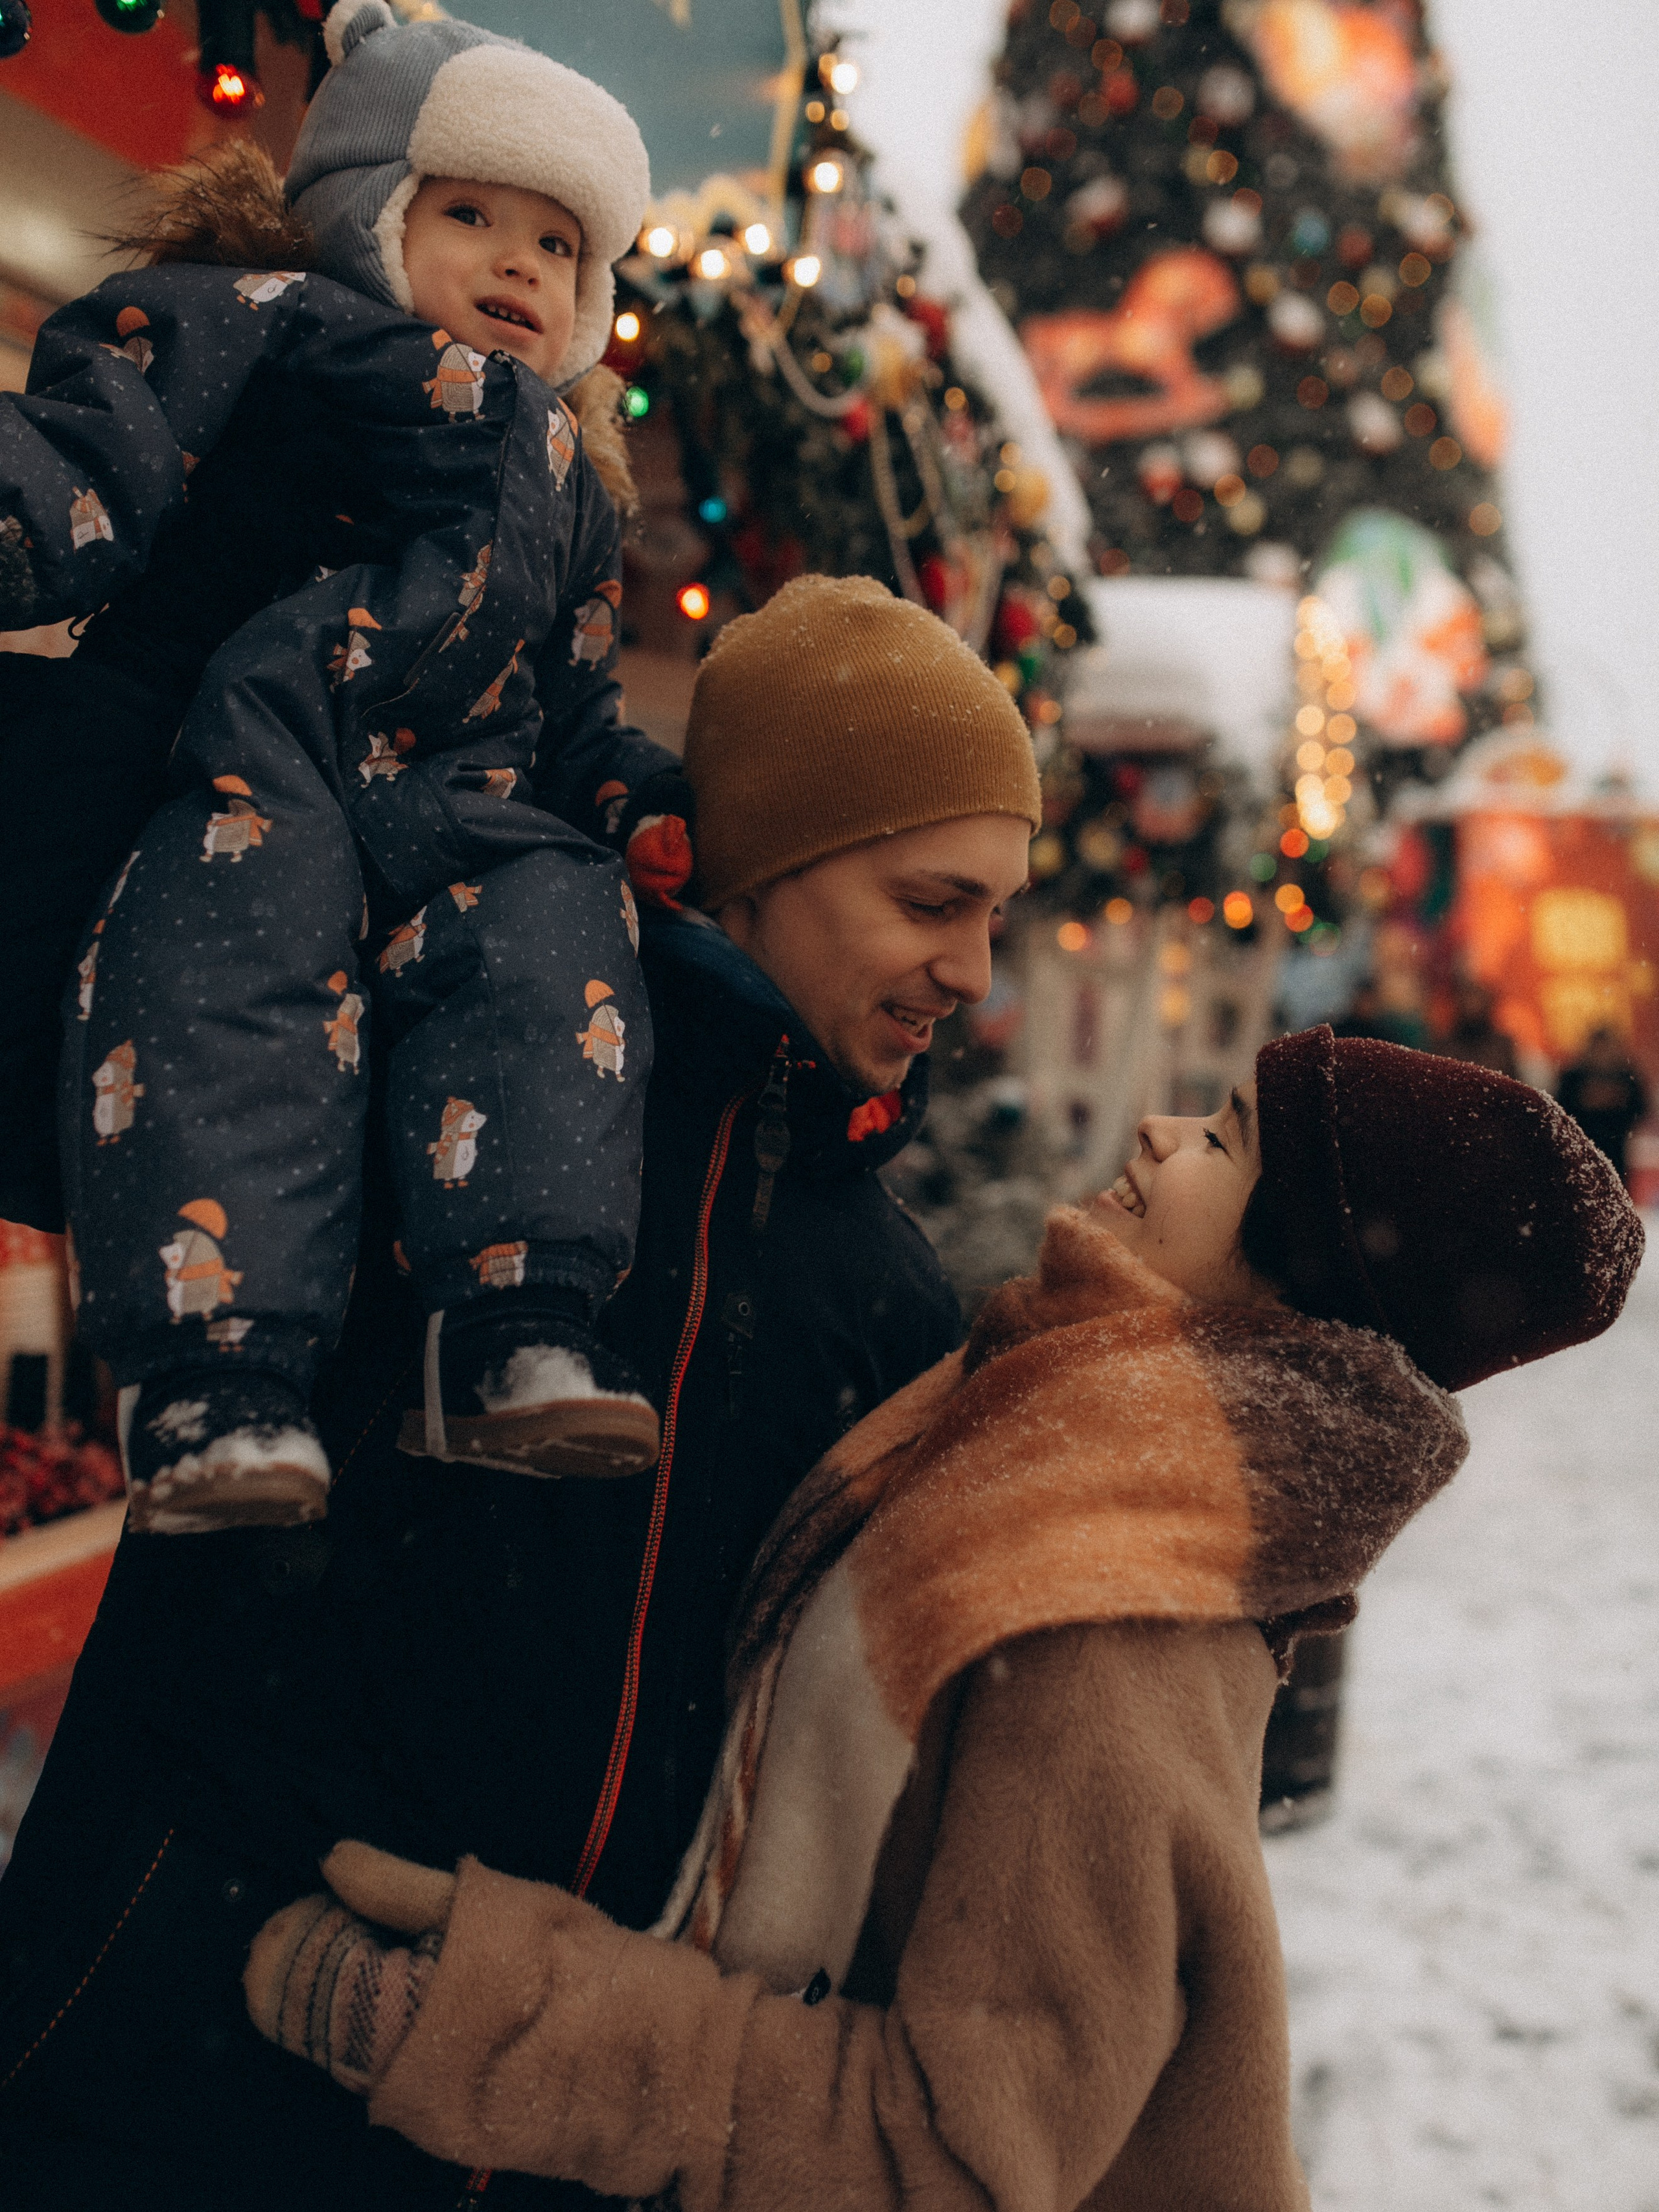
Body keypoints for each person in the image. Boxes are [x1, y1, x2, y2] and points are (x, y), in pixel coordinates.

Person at [0, 574, 1041, 2209]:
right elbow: (72, 1073)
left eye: (994, 913)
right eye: (932, 899)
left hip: (535, 2139)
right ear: (763, 863)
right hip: (174, 2052)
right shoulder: (428, 1059)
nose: (970, 969)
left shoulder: (890, 1296)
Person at [244, 1027, 1643, 2209]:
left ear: (1305, 1278)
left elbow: (954, 2154)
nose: (1157, 1132)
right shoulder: (1053, 1440)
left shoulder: (1112, 1612)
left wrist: (499, 2024)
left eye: (1220, 1139)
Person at [0, 0, 687, 1531]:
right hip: (259, 754)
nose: (518, 262)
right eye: (470, 215)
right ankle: (213, 1375)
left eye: (558, 247)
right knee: (220, 979)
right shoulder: (270, 321)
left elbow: (572, 702)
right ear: (370, 212)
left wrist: (638, 801)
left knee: (556, 942)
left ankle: (522, 1319)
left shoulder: (574, 482)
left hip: (465, 809)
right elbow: (95, 444)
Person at [1557, 1026, 1650, 1185]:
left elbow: (1641, 1108)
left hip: (1616, 1147)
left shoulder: (1627, 1076)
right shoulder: (1573, 1077)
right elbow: (1562, 1108)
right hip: (1582, 1148)